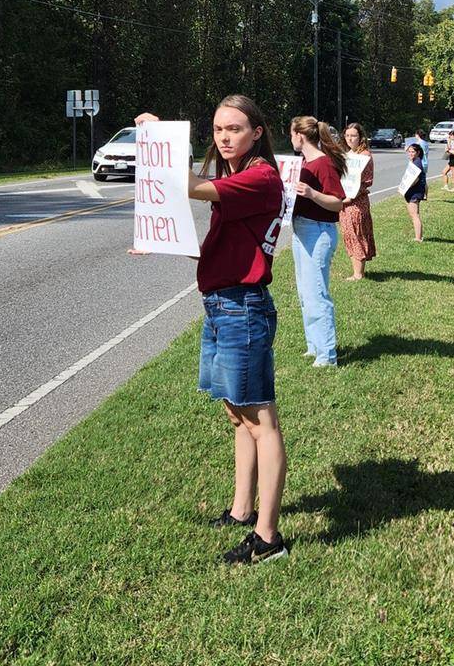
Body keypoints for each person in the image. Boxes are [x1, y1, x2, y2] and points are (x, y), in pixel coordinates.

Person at [132, 96, 288, 566]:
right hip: (223, 305)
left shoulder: (260, 178)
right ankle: (243, 511)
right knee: (238, 416)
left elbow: (188, 187)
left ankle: (268, 538)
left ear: (257, 132)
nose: (223, 137)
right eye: (218, 129)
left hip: (242, 309)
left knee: (261, 421)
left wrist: (158, 142)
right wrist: (163, 240)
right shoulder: (238, 178)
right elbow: (227, 248)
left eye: (234, 129)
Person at [289, 116, 346, 368]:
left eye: (291, 134)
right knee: (305, 292)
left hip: (318, 231)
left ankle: (327, 355)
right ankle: (314, 346)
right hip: (301, 228)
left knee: (317, 293)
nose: (291, 139)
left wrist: (312, 194)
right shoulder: (301, 163)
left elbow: (338, 201)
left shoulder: (323, 164)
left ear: (300, 136)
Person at [339, 123, 376, 281]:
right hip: (345, 201)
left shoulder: (365, 156)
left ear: (360, 137)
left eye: (353, 135)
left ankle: (358, 274)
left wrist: (351, 197)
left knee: (357, 234)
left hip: (357, 202)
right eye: (347, 135)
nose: (350, 139)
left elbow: (366, 182)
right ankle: (356, 272)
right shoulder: (348, 154)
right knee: (348, 233)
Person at [403, 143, 427, 241]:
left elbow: (415, 179)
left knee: (414, 215)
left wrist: (405, 187)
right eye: (409, 152)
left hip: (414, 192)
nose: (410, 153)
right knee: (414, 214)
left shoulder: (417, 163)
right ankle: (419, 236)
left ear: (418, 152)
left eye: (413, 152)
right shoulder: (415, 161)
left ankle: (418, 238)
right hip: (414, 192)